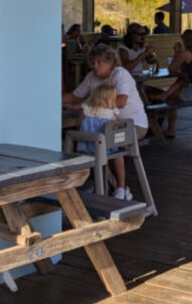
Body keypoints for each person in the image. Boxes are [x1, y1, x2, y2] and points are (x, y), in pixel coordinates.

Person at [63, 43, 147, 199]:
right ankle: (97, 185)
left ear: (110, 62)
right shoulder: (91, 77)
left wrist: (86, 104)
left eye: (100, 62)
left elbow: (120, 101)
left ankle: (120, 188)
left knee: (108, 144)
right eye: (93, 62)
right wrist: (52, 101)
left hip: (133, 124)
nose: (95, 66)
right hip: (105, 126)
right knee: (88, 144)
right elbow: (74, 95)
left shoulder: (120, 74)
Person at [146, 29, 192, 137]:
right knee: (182, 80)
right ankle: (164, 96)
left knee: (172, 99)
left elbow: (171, 69)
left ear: (183, 40)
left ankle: (170, 129)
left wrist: (177, 52)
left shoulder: (185, 54)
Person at [75, 86, 127, 197]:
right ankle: (120, 188)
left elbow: (78, 125)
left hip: (86, 148)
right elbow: (114, 132)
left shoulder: (86, 110)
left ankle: (93, 185)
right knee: (118, 156)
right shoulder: (111, 115)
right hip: (105, 150)